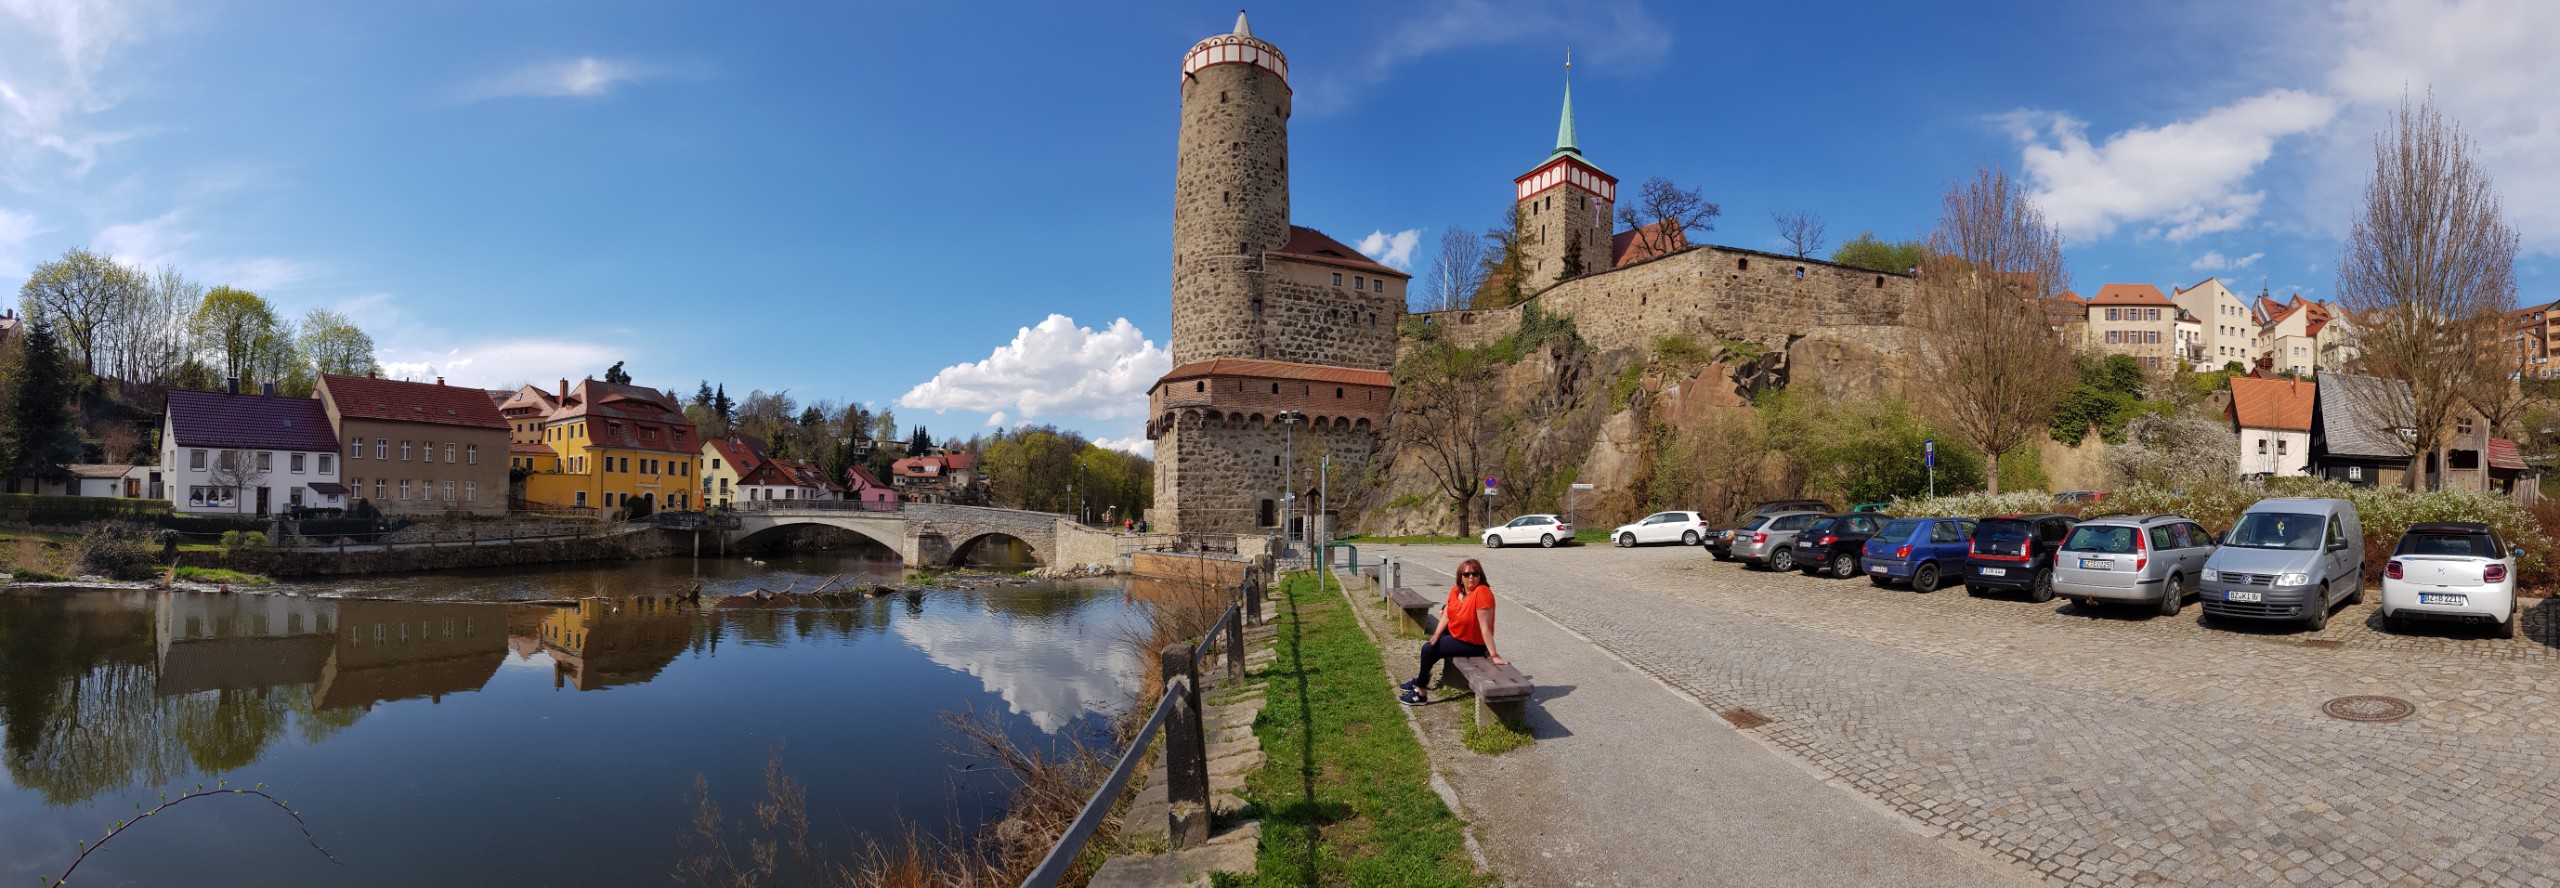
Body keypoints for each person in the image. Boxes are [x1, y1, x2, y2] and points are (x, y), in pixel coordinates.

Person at [1399, 558, 1506, 706]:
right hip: (1457, 634)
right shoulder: (1456, 591)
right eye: (1467, 574)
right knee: (1433, 645)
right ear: (1461, 577)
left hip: (1473, 643)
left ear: (1480, 576)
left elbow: (1485, 628)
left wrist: (1493, 655)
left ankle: (1420, 692)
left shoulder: (1482, 593)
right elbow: (1447, 615)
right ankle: (1420, 680)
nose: (1471, 577)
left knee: (1428, 649)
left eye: (1475, 574)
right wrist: (1436, 634)